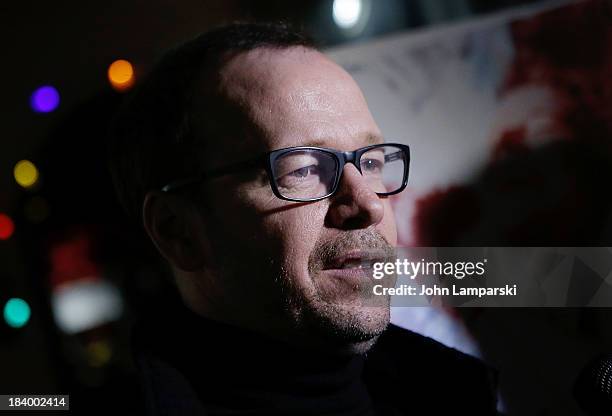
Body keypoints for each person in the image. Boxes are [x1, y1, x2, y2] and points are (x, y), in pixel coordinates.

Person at [108, 22, 498, 415]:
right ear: (178, 232)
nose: (369, 205)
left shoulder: (455, 391)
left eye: (372, 162)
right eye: (303, 169)